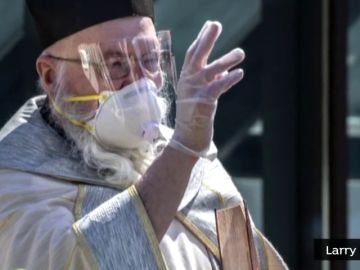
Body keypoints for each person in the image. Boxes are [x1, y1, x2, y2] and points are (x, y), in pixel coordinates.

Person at [0, 0, 288, 269]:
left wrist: (184, 152)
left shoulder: (194, 161)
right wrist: (183, 151)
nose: (140, 83)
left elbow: (243, 259)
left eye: (150, 59)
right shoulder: (14, 182)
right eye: (115, 65)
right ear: (50, 75)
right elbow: (80, 261)